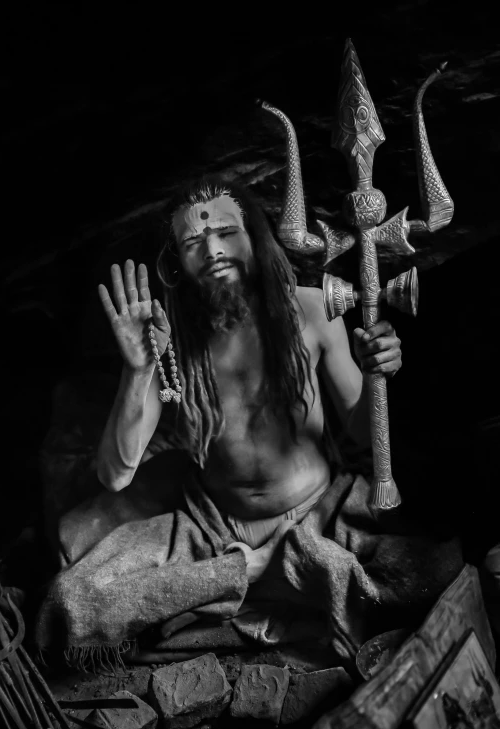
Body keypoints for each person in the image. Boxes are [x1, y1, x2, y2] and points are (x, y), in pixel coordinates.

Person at [35, 176, 463, 665]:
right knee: (74, 600)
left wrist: (378, 376)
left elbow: (365, 433)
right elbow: (116, 473)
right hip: (214, 532)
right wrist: (138, 370)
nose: (213, 249)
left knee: (435, 569)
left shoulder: (313, 310)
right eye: (193, 242)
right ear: (176, 262)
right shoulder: (169, 343)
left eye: (226, 231)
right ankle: (254, 572)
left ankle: (272, 573)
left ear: (254, 237)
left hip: (322, 515)